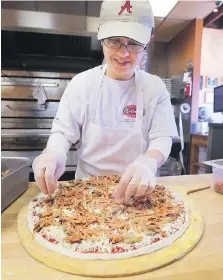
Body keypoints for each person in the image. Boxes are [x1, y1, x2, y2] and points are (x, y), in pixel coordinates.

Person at [33, 0, 178, 205]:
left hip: (137, 192)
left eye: (134, 43)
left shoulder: (154, 88)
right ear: (101, 37)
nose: (123, 53)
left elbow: (162, 138)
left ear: (149, 41)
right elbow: (63, 132)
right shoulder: (82, 84)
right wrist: (55, 152)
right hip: (86, 193)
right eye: (114, 41)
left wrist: (148, 162)